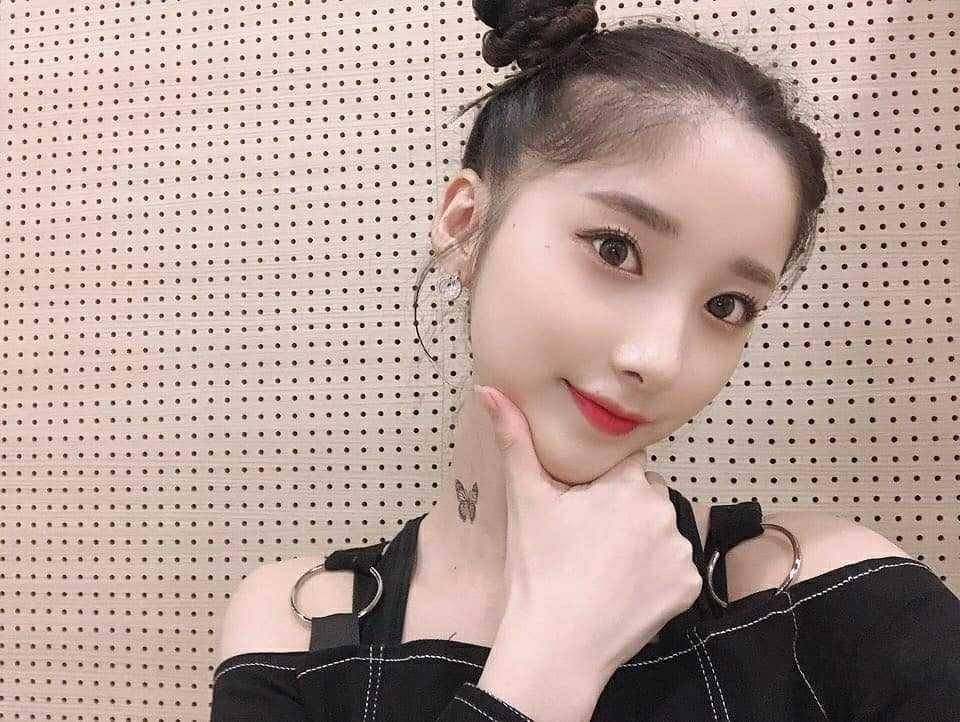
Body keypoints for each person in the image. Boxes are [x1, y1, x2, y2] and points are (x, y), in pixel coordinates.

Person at [210, 2, 960, 720]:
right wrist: (550, 663)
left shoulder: (831, 600)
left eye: (727, 305)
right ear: (466, 225)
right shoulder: (296, 630)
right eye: (615, 249)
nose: (657, 361)